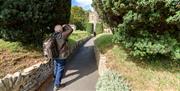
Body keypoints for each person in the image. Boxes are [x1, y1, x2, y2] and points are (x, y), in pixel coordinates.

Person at [53, 24, 73, 91]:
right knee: (60, 69)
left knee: (56, 67)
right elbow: (71, 30)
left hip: (54, 55)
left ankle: (55, 79)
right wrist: (66, 25)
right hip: (61, 56)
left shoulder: (53, 35)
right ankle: (57, 85)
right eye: (62, 28)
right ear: (60, 30)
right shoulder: (63, 35)